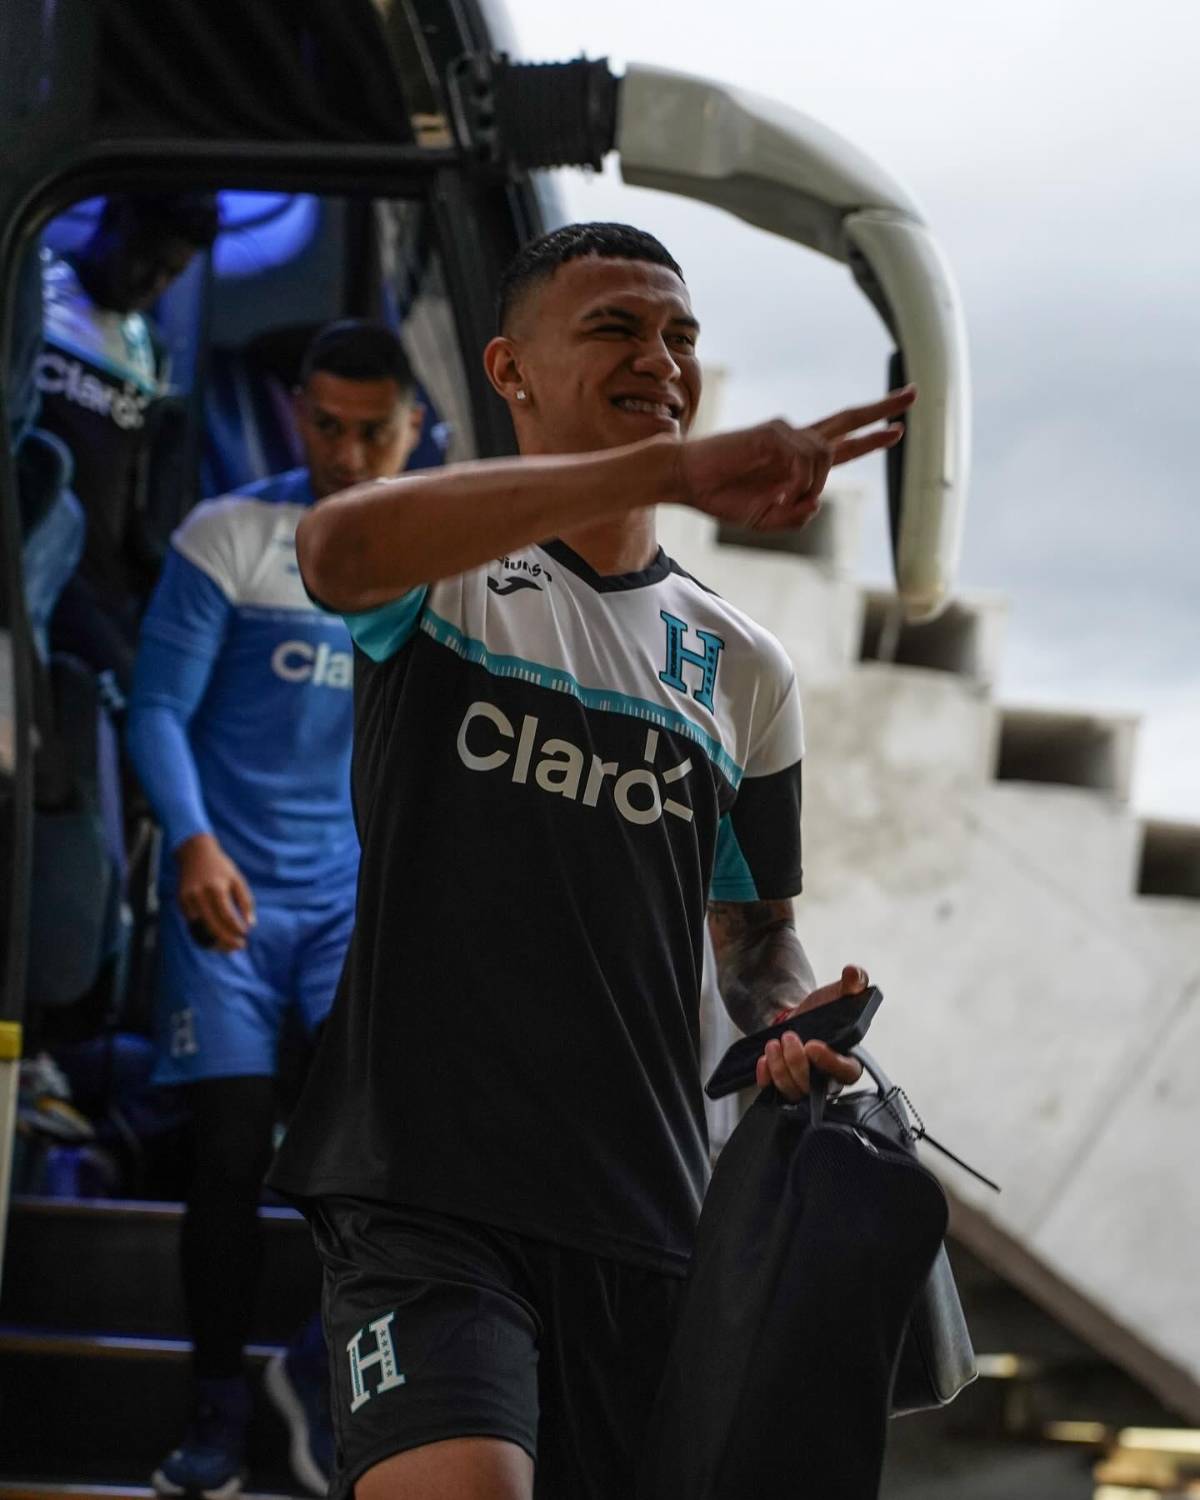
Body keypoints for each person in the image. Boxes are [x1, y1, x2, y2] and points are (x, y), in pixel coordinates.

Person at [266, 222, 915, 1500]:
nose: (659, 357)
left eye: (679, 334)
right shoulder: (441, 570)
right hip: (420, 1187)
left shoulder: (744, 666)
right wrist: (671, 468)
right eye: (615, 327)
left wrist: (792, 1020)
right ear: (507, 371)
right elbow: (336, 552)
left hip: (647, 1209)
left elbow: (756, 931)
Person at [126, 321, 424, 1499]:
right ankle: (212, 1420)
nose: (348, 454)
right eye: (327, 426)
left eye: (375, 431)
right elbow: (154, 709)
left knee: (378, 1164)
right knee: (233, 1150)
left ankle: (332, 1392)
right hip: (230, 898)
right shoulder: (232, 537)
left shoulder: (448, 558)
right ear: (298, 413)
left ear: (418, 427)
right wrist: (191, 844)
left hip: (354, 903)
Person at [39, 192, 220, 696]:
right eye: (146, 258)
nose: (152, 284)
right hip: (28, 558)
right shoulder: (34, 293)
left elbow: (134, 494)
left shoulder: (148, 351)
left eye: (171, 274)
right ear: (115, 219)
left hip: (98, 587)